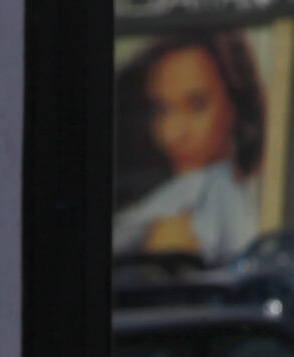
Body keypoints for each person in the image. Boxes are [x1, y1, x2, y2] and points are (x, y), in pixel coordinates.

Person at [112, 32, 265, 264]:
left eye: (196, 105)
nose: (173, 133)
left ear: (236, 106)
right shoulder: (163, 199)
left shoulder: (214, 189)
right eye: (161, 110)